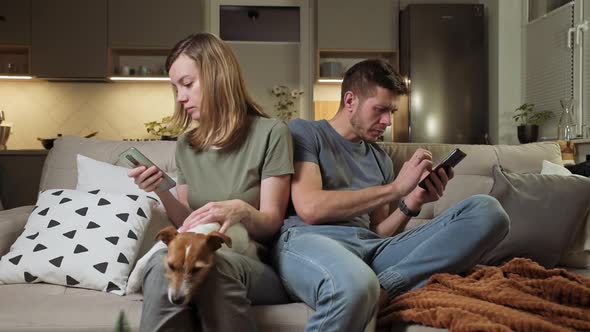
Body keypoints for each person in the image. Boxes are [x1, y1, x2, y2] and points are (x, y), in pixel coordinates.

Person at [272, 59, 510, 332]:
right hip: (310, 242)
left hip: (370, 251)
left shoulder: (380, 158)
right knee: (354, 284)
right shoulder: (305, 132)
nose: (387, 121)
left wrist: (412, 202)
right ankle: (371, 288)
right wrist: (396, 189)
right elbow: (310, 208)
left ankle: (386, 287)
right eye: (380, 110)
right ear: (350, 100)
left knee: (488, 212)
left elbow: (378, 232)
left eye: (392, 111)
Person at [129, 32, 293, 332]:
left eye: (187, 84)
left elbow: (271, 223)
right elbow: (186, 220)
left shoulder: (271, 133)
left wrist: (242, 210)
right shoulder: (187, 144)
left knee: (213, 267)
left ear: (218, 76)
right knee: (159, 266)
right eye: (175, 88)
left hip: (254, 262)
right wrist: (161, 189)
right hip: (199, 255)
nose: (180, 97)